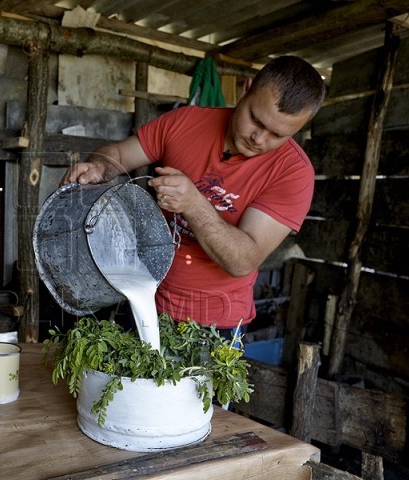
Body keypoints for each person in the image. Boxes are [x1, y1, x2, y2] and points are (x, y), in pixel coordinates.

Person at [60, 56, 326, 337]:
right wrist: (98, 167)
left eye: (277, 134)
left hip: (214, 323)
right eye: (256, 120)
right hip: (143, 298)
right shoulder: (185, 122)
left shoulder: (293, 173)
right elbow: (119, 154)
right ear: (245, 90)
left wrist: (194, 203)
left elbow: (243, 260)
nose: (258, 139)